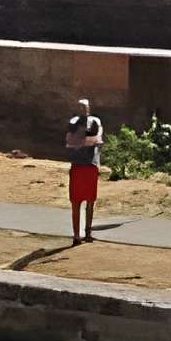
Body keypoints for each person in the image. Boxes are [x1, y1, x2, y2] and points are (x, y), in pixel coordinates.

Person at [63, 97, 106, 242]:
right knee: (76, 202)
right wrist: (85, 141)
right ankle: (76, 235)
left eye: (85, 108)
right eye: (80, 107)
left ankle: (87, 232)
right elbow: (71, 141)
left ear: (89, 109)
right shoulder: (73, 123)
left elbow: (96, 138)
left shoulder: (95, 122)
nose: (82, 110)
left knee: (90, 202)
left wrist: (82, 141)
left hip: (90, 165)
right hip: (78, 166)